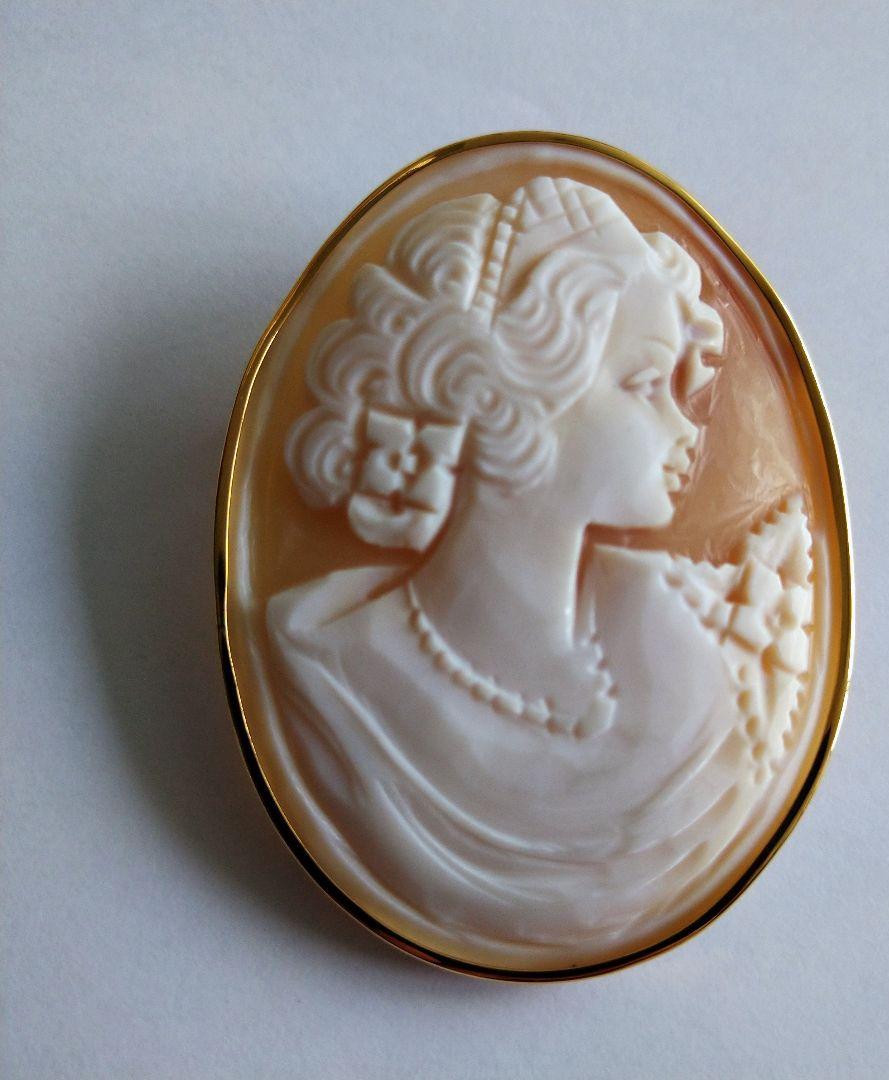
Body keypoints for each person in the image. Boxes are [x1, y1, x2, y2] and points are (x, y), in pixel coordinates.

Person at [267, 176, 813, 967]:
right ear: (503, 400)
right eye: (644, 384)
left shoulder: (691, 656)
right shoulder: (332, 686)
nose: (683, 426)